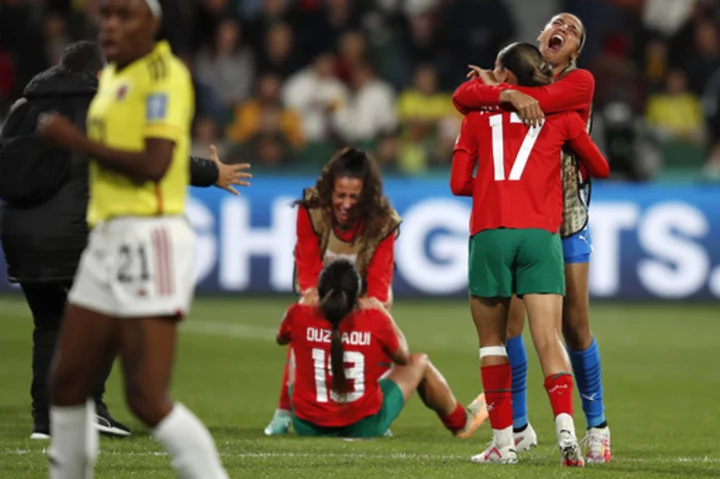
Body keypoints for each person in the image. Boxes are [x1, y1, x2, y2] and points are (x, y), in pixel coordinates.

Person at [0, 41, 249, 441]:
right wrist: (210, 172)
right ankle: (89, 407)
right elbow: (151, 157)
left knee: (48, 322)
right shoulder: (99, 105)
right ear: (99, 74)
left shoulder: (20, 108)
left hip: (18, 234)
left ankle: (46, 421)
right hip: (74, 232)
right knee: (113, 314)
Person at [36, 1, 227, 477]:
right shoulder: (114, 77)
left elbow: (155, 163)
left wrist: (74, 140)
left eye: (125, 15)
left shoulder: (164, 75)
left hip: (150, 238)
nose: (111, 25)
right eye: (106, 15)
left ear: (154, 22)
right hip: (105, 238)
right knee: (67, 380)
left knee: (145, 397)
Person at [451, 13, 612, 463]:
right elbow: (463, 94)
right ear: (541, 38)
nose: (563, 30)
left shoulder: (580, 83)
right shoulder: (517, 79)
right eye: (555, 25)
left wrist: (499, 90)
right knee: (511, 327)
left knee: (574, 326)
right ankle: (518, 429)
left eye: (575, 30)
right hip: (530, 216)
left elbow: (489, 100)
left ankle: (597, 426)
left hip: (565, 217)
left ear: (574, 49)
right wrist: (502, 90)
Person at [263, 147, 489, 436]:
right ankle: (285, 410)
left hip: (363, 285)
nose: (345, 204)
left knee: (352, 317)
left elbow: (380, 286)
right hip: (325, 282)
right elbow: (307, 262)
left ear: (366, 196)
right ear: (328, 190)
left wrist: (373, 310)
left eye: (353, 197)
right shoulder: (312, 208)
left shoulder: (382, 220)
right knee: (307, 313)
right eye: (340, 195)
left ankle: (335, 401)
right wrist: (312, 296)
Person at [276, 258, 487, 438]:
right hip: (363, 426)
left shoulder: (299, 313)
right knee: (419, 361)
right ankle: (461, 422)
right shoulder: (373, 318)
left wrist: (305, 304)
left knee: (298, 345)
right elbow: (403, 358)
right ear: (357, 294)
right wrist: (382, 312)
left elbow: (281, 338)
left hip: (307, 426)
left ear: (321, 291)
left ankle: (287, 413)